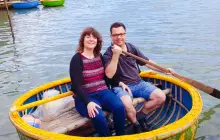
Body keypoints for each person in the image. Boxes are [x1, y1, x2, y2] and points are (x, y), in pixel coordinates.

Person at [103, 22, 175, 132]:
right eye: (115, 35)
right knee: (127, 104)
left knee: (160, 96)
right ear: (111, 37)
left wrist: (164, 70)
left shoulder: (131, 48)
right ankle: (136, 125)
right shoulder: (108, 54)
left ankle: (140, 116)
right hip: (120, 87)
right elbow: (109, 74)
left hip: (138, 83)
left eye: (122, 34)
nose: (119, 37)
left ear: (125, 34)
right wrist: (116, 55)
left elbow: (146, 62)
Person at [69, 27, 126, 136]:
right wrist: (88, 102)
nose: (91, 39)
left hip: (103, 92)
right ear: (82, 40)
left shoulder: (99, 56)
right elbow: (76, 85)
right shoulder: (77, 59)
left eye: (94, 37)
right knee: (98, 116)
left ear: (97, 41)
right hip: (85, 97)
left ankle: (120, 136)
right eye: (88, 37)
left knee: (119, 107)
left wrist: (119, 82)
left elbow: (107, 75)